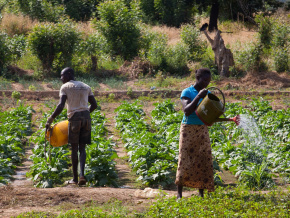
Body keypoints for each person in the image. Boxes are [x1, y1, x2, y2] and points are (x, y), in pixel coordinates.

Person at [45, 67, 98, 186]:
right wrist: (85, 114)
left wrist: (51, 119)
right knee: (82, 148)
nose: (61, 78)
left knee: (74, 148)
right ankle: (82, 175)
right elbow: (94, 105)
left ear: (69, 75)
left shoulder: (65, 87)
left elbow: (60, 106)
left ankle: (74, 179)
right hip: (86, 118)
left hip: (74, 118)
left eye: (62, 75)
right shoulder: (86, 86)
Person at [175, 68, 214, 199]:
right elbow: (186, 110)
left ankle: (201, 193)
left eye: (208, 81)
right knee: (184, 159)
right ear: (197, 78)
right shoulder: (187, 92)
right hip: (188, 129)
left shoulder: (207, 93)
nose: (206, 83)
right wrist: (198, 96)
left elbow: (211, 113)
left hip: (202, 129)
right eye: (204, 80)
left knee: (202, 158)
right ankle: (179, 194)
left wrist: (229, 119)